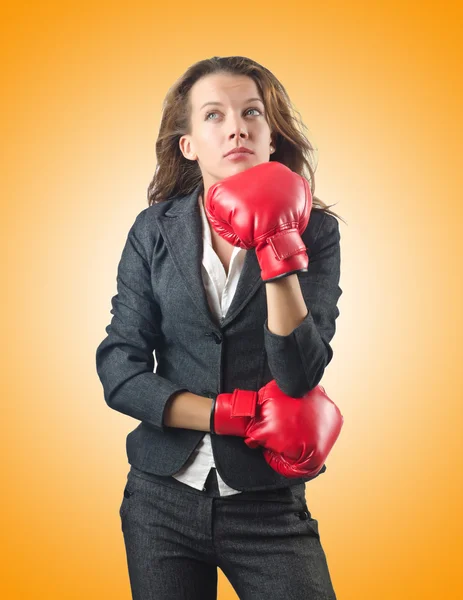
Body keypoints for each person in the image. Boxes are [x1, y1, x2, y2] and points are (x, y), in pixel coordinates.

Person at [95, 55, 345, 600]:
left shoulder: (317, 232)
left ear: (271, 136)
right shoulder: (153, 230)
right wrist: (225, 415)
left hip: (267, 504)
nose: (236, 126)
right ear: (189, 144)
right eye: (214, 115)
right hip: (161, 497)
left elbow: (299, 374)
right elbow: (120, 367)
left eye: (251, 112)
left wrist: (277, 245)